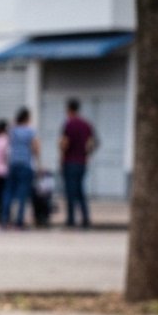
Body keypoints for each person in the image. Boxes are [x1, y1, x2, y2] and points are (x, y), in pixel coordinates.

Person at [60, 98, 97, 228]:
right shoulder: (86, 124)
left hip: (70, 162)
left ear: (69, 110)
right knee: (80, 191)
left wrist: (61, 156)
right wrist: (86, 154)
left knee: (70, 192)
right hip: (82, 162)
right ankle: (85, 218)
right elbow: (92, 142)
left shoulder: (69, 124)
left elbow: (64, 143)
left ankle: (71, 219)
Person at [3, 107, 40, 230]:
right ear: (27, 118)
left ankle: (5, 219)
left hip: (12, 164)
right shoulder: (30, 131)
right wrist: (38, 162)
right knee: (23, 195)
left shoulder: (12, 130)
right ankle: (19, 222)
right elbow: (35, 147)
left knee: (8, 192)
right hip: (25, 164)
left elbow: (6, 141)